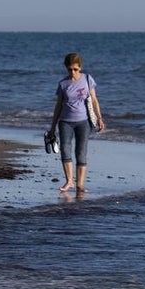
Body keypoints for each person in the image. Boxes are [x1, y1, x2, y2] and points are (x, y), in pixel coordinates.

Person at [49, 52, 105, 193]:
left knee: (81, 152)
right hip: (65, 122)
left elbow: (94, 100)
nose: (73, 72)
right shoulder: (63, 84)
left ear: (80, 67)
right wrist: (52, 126)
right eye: (70, 69)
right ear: (66, 68)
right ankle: (69, 181)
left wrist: (99, 118)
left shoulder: (87, 79)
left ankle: (80, 184)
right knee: (65, 150)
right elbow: (58, 106)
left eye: (75, 69)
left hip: (83, 121)